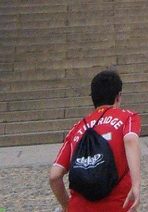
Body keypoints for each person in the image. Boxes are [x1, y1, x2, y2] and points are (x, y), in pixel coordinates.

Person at [49, 69, 140, 211]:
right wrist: (136, 185)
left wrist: (67, 206)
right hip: (118, 205)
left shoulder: (77, 128)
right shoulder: (127, 118)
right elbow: (130, 141)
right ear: (118, 96)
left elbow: (54, 176)